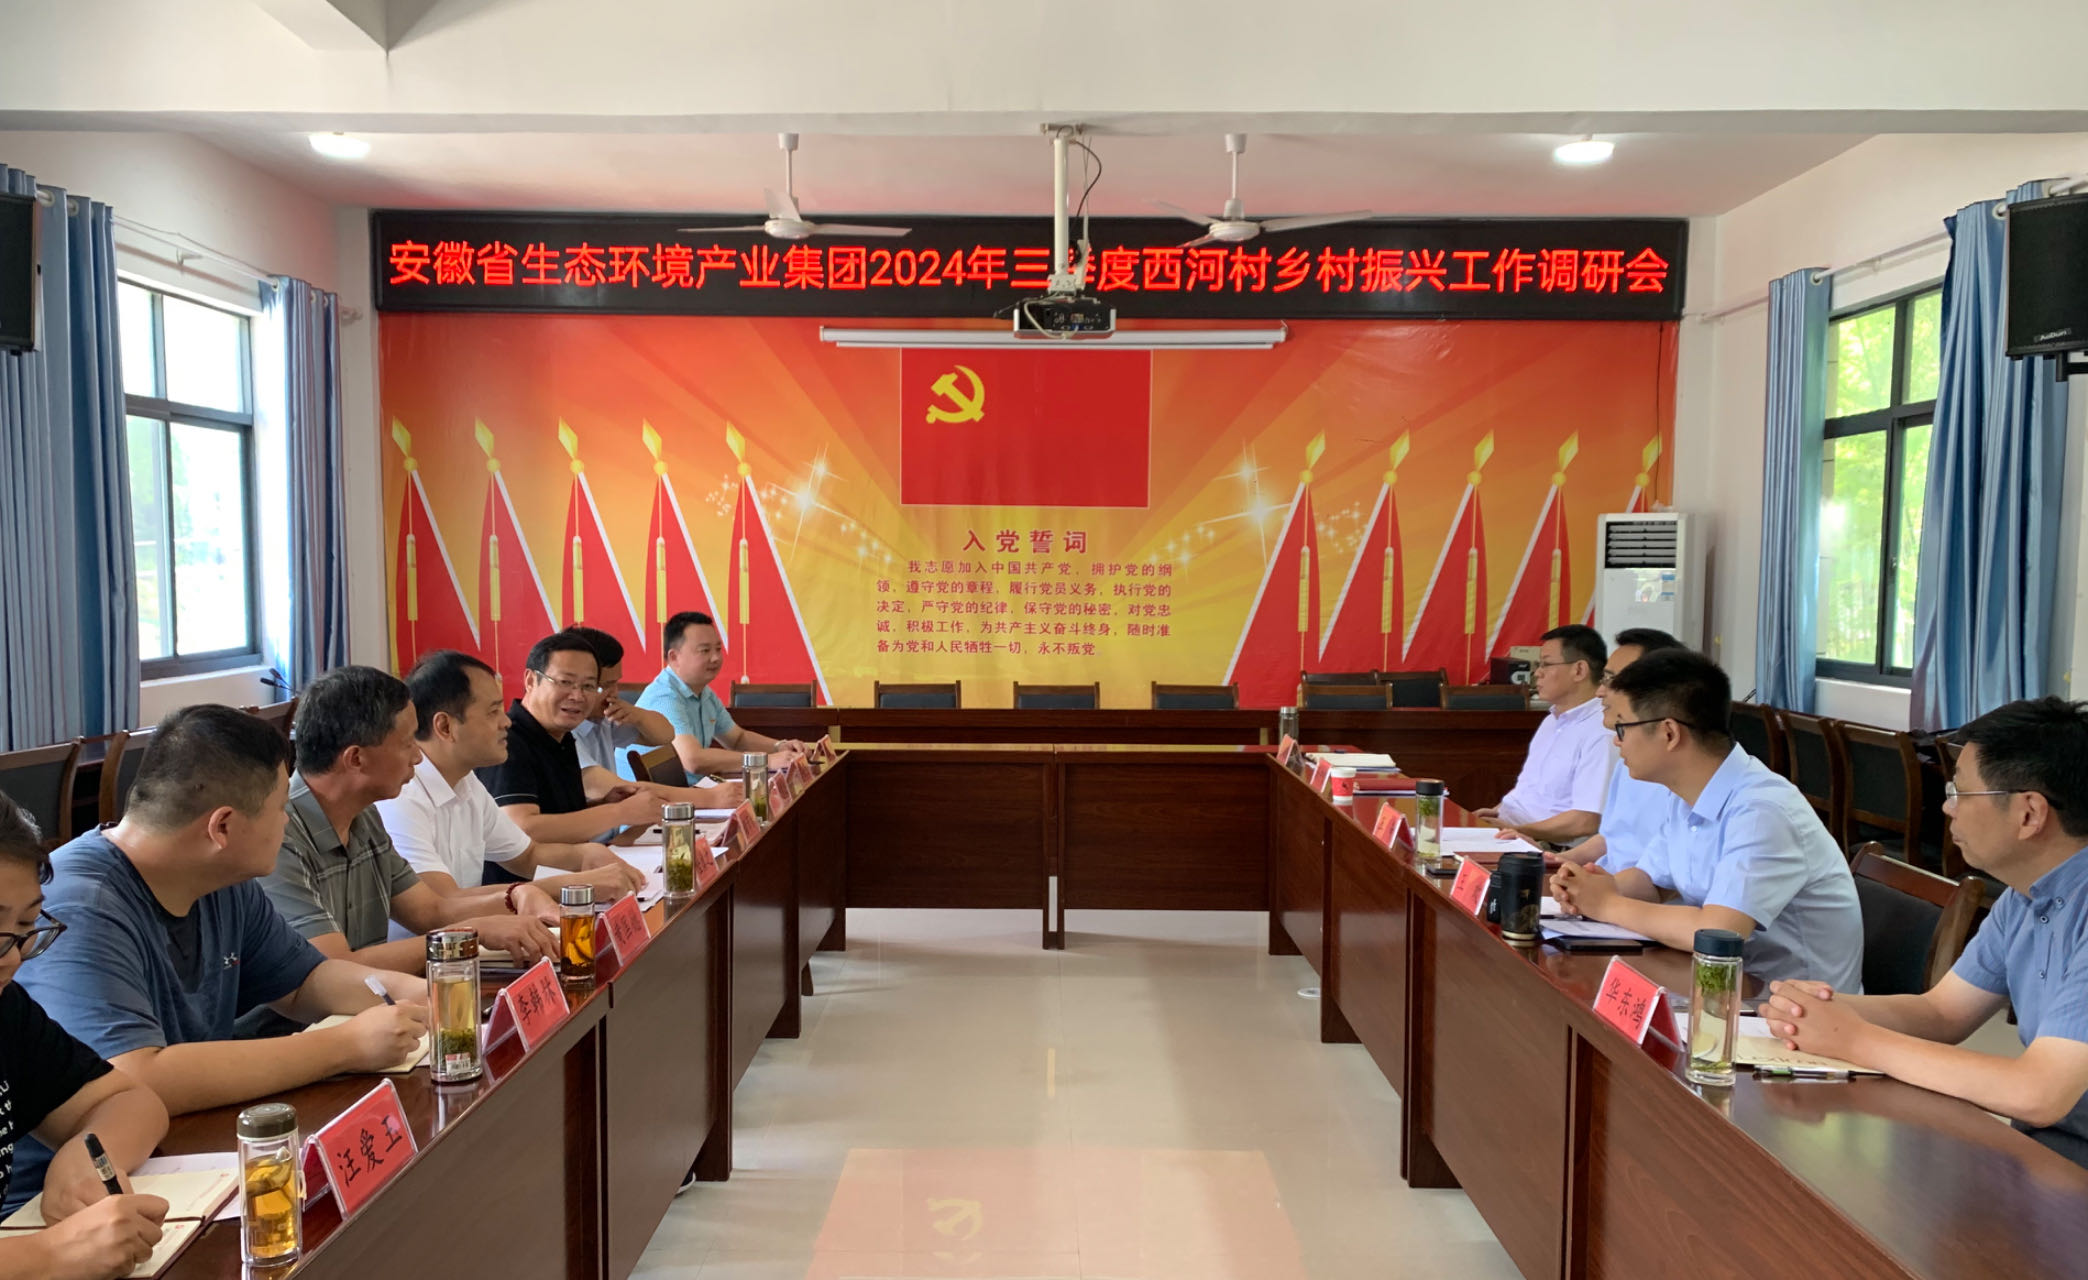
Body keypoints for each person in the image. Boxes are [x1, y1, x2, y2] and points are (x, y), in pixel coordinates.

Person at [16, 707, 427, 1130]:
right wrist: (345, 1046)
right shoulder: (82, 906)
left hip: (185, 1131)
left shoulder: (222, 878)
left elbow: (304, 981)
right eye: (280, 808)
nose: (287, 821)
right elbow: (132, 1076)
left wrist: (423, 994)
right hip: (89, 1161)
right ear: (223, 827)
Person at [1762, 698, 2088, 1168]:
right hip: (2045, 1155)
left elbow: (2039, 1091)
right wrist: (1816, 1010)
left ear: (2029, 814)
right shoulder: (2023, 897)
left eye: (1961, 792)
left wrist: (1856, 1040)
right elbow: (1942, 1013)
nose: (1947, 807)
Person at [1548, 650, 1861, 988]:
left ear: (1669, 733)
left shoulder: (1762, 811)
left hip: (1790, 1004)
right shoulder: (1686, 795)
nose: (1615, 740)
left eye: (1622, 727)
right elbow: (1652, 881)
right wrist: (1591, 888)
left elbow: (1718, 931)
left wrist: (1608, 904)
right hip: (1722, 986)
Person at [261, 666, 562, 972]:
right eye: (407, 744)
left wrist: (516, 896)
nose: (418, 757)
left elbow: (430, 910)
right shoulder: (279, 836)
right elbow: (335, 969)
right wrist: (472, 934)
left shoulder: (364, 816)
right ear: (356, 758)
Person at [0, 794, 172, 1280]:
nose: (12, 958)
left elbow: (130, 1099)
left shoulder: (6, 1007)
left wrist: (83, 1156)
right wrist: (50, 1255)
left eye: (26, 926)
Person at [380, 649, 648, 909]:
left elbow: (527, 856)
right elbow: (443, 903)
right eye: (493, 711)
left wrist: (586, 855)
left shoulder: (467, 783)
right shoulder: (401, 797)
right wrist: (574, 884)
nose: (506, 722)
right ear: (445, 726)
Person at [480, 632, 673, 846]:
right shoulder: (508, 741)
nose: (577, 696)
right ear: (531, 680)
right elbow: (522, 829)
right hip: (542, 869)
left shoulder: (561, 736)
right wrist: (619, 812)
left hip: (578, 861)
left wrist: (604, 804)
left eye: (588, 686)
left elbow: (556, 814)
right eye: (565, 682)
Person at [563, 626, 742, 810]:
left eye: (616, 683)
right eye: (606, 685)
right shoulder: (564, 732)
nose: (614, 693)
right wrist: (708, 798)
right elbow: (617, 789)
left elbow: (665, 735)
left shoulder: (601, 719)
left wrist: (638, 715)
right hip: (612, 824)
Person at [1556, 627, 1688, 867]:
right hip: (1607, 881)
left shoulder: (1682, 773)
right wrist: (1554, 862)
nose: (1600, 692)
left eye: (1611, 680)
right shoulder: (1628, 756)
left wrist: (1606, 889)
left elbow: (1661, 877)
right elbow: (1611, 837)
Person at [1475, 624, 1613, 843]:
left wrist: (1517, 830)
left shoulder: (1602, 732)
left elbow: (1586, 820)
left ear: (1579, 670)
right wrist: (1498, 812)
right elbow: (1531, 791)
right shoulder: (1552, 720)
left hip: (1545, 845)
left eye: (1546, 664)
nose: (1537, 673)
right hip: (1512, 830)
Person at [636, 612, 807, 778]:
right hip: (656, 795)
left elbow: (737, 739)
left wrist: (779, 746)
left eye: (718, 649)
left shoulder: (704, 693)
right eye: (705, 650)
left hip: (686, 790)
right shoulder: (664, 698)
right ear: (674, 657)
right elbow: (693, 760)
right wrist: (765, 761)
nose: (716, 658)